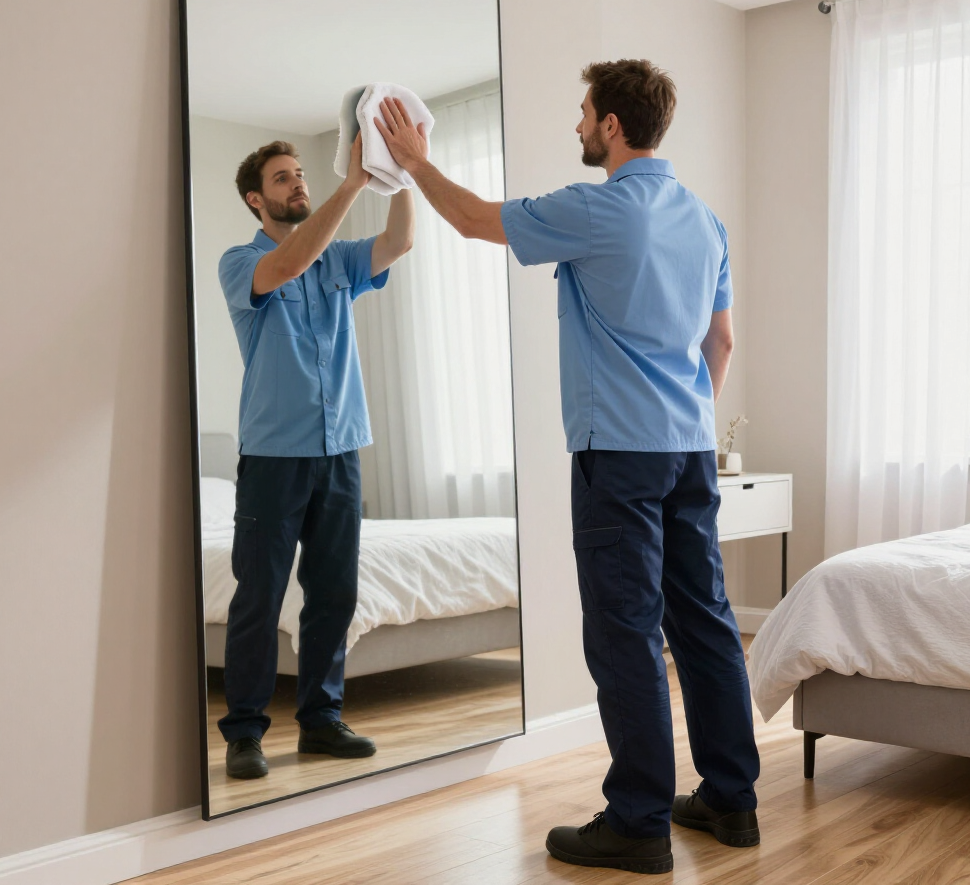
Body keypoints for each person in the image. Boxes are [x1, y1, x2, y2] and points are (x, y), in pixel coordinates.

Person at [374, 60, 760, 874]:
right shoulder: (705, 220)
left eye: (585, 114)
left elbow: (478, 220)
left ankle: (639, 822)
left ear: (614, 125)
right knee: (706, 623)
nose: (578, 127)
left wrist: (413, 163)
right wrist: (686, 417)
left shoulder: (599, 208)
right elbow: (720, 343)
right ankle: (732, 800)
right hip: (688, 449)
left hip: (619, 454)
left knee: (625, 633)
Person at [217, 134, 414, 780]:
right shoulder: (240, 261)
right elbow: (289, 266)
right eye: (283, 178)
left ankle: (322, 721)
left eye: (301, 174)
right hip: (275, 456)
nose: (298, 183)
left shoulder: (339, 259)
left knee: (333, 592)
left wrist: (402, 173)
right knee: (260, 594)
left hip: (342, 450)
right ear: (256, 198)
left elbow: (399, 243)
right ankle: (245, 731)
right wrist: (352, 184)